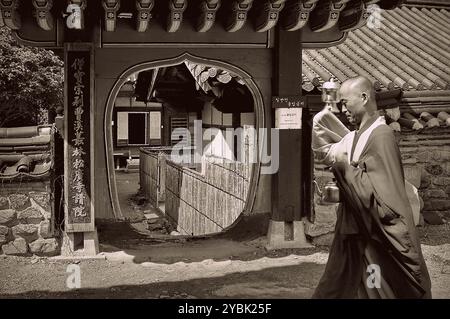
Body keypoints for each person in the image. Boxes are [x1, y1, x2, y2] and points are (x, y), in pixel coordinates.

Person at [311, 76, 431, 299]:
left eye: (346, 102)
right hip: (353, 234)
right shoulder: (356, 136)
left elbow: (385, 197)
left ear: (364, 97)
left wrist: (345, 171)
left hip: (376, 238)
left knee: (376, 289)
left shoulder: (382, 137)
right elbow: (330, 155)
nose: (343, 109)